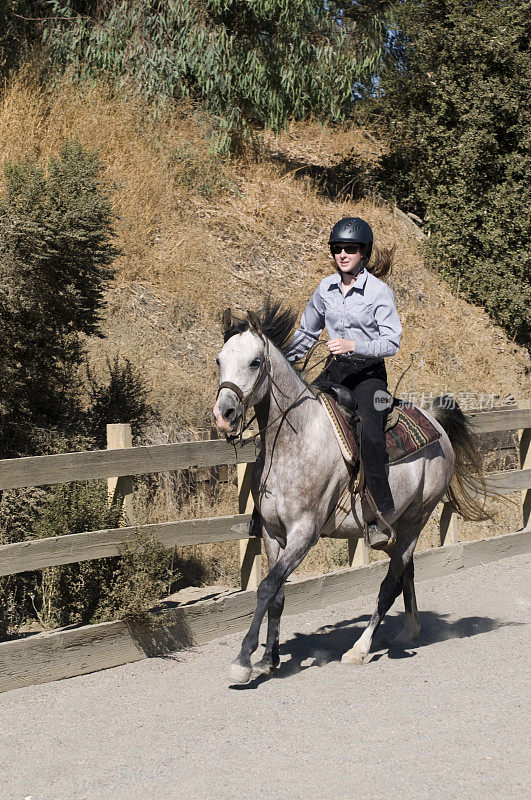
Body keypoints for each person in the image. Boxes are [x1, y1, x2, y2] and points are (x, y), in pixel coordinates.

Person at [285, 217, 402, 549]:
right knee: (292, 416)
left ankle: (379, 514)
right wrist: (280, 359)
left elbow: (392, 343)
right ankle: (269, 507)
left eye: (350, 249)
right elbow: (307, 333)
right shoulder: (325, 288)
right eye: (337, 249)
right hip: (335, 371)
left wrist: (354, 346)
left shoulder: (379, 292)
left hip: (368, 375)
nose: (343, 254)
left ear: (363, 253)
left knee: (369, 432)